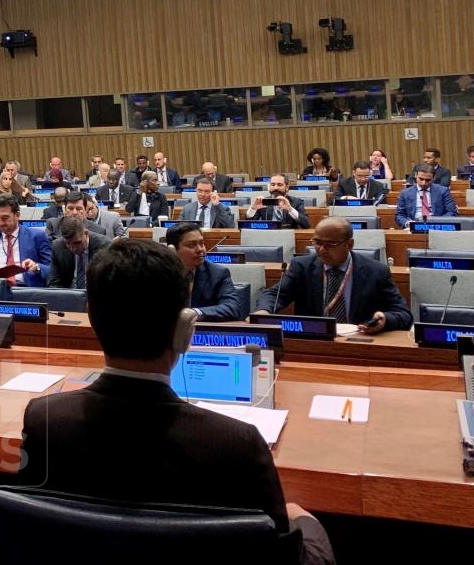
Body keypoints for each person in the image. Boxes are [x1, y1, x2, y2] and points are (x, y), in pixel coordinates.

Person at [21, 237, 335, 565]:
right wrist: (304, 520)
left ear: (91, 317)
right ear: (186, 329)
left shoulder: (44, 418)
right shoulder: (237, 443)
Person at [257, 217, 411, 334]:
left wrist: (385, 320)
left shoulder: (376, 271)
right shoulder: (302, 267)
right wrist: (263, 311)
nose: (321, 250)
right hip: (314, 339)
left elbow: (404, 315)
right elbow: (274, 295)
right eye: (317, 243)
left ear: (349, 245)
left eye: (330, 245)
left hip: (359, 340)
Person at [166, 223, 245, 321]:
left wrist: (194, 313)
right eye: (192, 245)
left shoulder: (217, 273)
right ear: (173, 249)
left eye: (202, 243)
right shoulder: (159, 272)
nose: (200, 249)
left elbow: (232, 308)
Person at [0, 194, 51, 287]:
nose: (0, 223)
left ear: (17, 215)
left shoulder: (37, 236)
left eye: (5, 218)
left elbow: (51, 270)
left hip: (26, 290)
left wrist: (36, 267)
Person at [47, 216, 110, 290]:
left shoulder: (105, 247)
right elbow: (54, 283)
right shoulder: (58, 247)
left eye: (77, 243)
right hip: (68, 294)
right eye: (68, 243)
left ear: (86, 233)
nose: (73, 248)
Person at [394, 164, 459, 228]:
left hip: (437, 226)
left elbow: (452, 212)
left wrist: (438, 222)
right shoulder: (405, 193)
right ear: (416, 175)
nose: (424, 183)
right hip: (413, 226)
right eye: (421, 179)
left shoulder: (443, 191)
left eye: (428, 180)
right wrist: (408, 223)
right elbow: (399, 215)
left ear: (434, 178)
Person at [245, 174, 309, 228]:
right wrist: (253, 209)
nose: (275, 188)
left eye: (279, 185)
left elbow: (306, 225)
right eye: (273, 185)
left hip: (288, 235)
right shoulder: (262, 202)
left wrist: (290, 209)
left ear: (287, 188)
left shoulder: (296, 202)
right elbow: (247, 225)